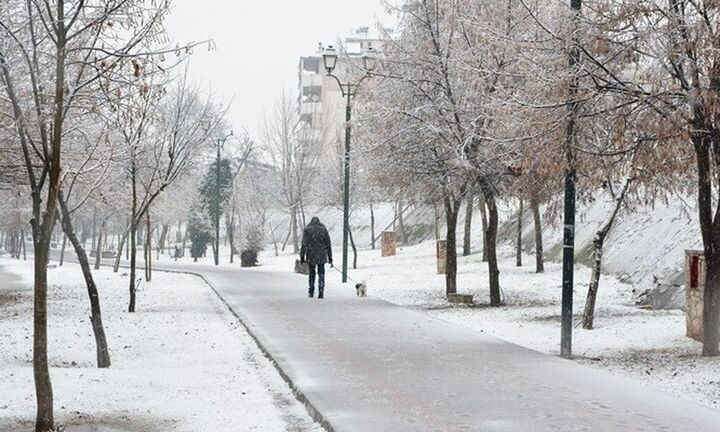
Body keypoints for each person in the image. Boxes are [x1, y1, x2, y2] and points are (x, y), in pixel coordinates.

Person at [300, 217, 333, 299]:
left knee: (312, 273)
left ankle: (311, 290)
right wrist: (330, 258)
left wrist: (302, 257)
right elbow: (328, 244)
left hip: (311, 255)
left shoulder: (307, 230)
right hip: (321, 255)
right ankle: (321, 290)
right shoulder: (324, 230)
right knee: (321, 273)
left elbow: (304, 244)